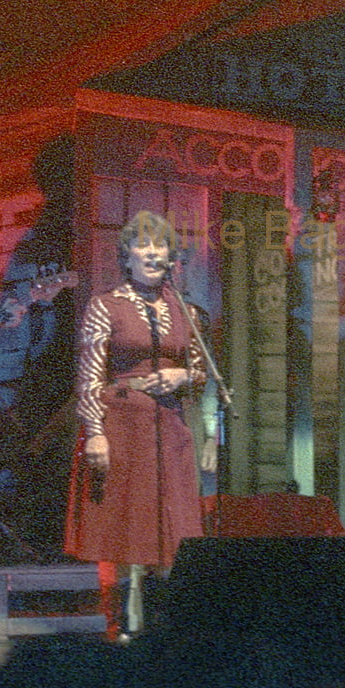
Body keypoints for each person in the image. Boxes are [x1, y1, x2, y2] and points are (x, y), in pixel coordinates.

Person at [64, 210, 213, 638]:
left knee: (172, 528)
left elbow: (201, 372)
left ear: (171, 255)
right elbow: (89, 376)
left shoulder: (186, 309)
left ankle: (164, 628)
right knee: (125, 529)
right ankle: (119, 624)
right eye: (142, 245)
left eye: (160, 245)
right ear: (126, 256)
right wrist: (94, 432)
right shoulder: (105, 305)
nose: (152, 253)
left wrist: (183, 376)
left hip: (170, 427)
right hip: (122, 426)